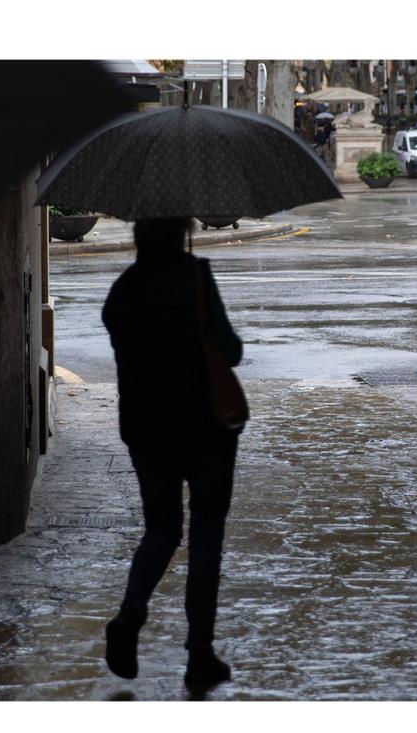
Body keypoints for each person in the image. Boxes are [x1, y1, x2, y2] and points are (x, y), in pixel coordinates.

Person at [100, 217, 244, 689]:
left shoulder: (124, 289)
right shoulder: (195, 276)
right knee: (206, 534)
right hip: (204, 428)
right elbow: (231, 350)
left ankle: (129, 615)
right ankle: (199, 652)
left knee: (160, 528)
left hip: (146, 429)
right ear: (181, 230)